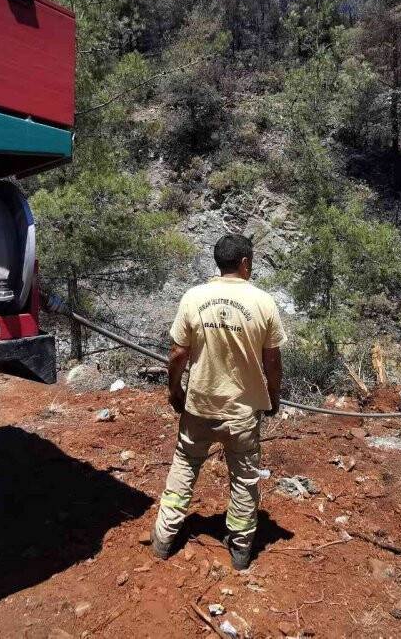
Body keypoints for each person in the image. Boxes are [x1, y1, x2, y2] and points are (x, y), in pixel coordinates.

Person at [151, 234, 287, 570]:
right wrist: (273, 396)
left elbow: (178, 353)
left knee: (184, 466)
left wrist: (175, 391)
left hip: (198, 407)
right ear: (244, 263)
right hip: (241, 412)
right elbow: (273, 362)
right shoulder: (263, 302)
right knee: (243, 477)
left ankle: (164, 539)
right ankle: (241, 550)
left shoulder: (194, 297)